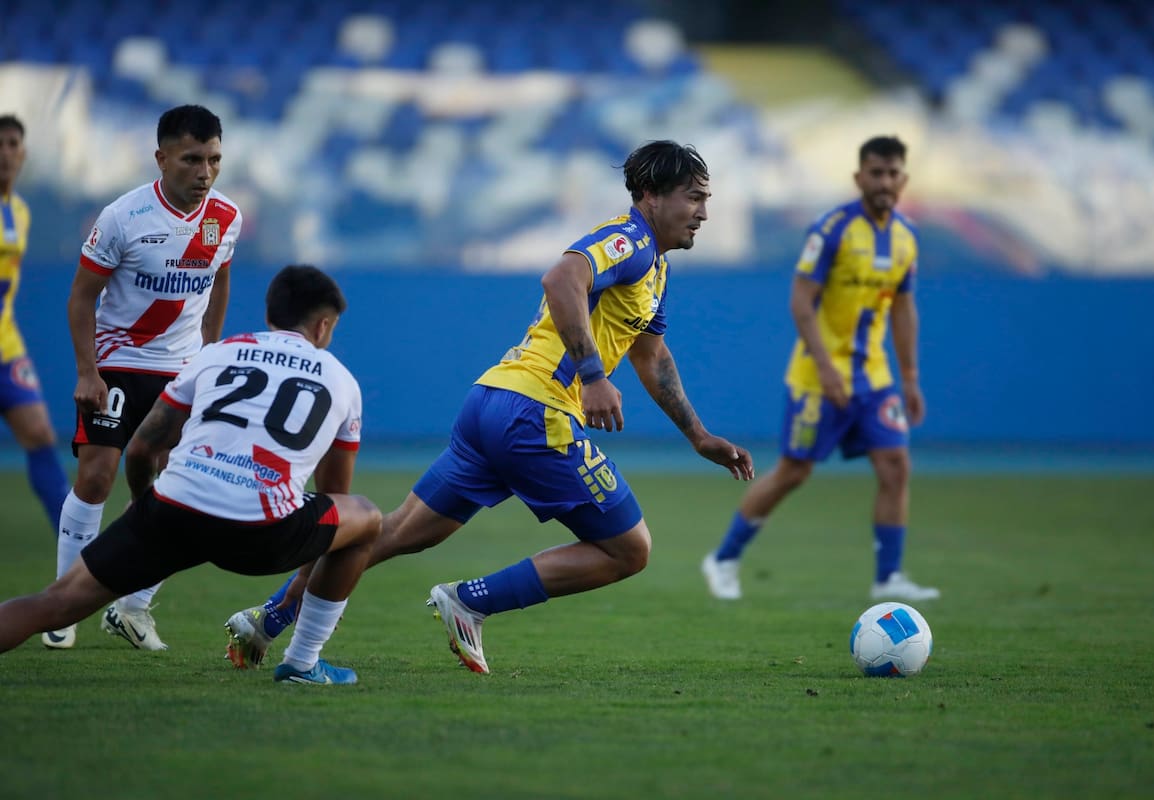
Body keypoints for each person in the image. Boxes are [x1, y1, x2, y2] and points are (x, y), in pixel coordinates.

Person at [223, 140, 755, 675]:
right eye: (693, 198)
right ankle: (471, 600)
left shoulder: (655, 270)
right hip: (534, 412)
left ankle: (270, 617)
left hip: (493, 402)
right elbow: (561, 278)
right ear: (650, 197)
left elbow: (651, 355)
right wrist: (592, 375)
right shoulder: (629, 239)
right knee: (628, 550)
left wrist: (698, 435)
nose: (704, 213)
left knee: (388, 533)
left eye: (707, 200)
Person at [0, 264, 380, 685]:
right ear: (324, 326)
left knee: (56, 602)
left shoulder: (216, 354)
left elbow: (145, 446)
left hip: (175, 513)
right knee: (365, 517)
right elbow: (333, 497)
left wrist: (143, 506)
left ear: (270, 313)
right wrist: (305, 579)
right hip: (263, 533)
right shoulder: (342, 381)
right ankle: (303, 662)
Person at [701, 135, 939, 602]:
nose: (884, 182)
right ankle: (724, 558)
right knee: (793, 472)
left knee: (896, 466)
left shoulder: (906, 238)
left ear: (904, 179)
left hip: (875, 377)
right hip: (817, 377)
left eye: (893, 173)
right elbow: (801, 300)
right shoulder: (832, 229)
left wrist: (910, 377)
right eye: (876, 172)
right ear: (859, 177)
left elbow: (903, 309)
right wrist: (827, 368)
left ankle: (888, 576)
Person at [44, 104, 243, 650]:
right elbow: (81, 297)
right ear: (161, 158)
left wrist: (210, 351)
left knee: (173, 491)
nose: (204, 173)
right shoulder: (122, 218)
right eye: (191, 159)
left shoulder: (225, 217)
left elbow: (220, 279)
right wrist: (87, 371)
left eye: (214, 160)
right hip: (117, 363)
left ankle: (132, 609)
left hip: (179, 373)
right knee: (96, 479)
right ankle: (63, 607)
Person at [0, 114, 71, 543]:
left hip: (6, 347)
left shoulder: (20, 211)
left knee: (42, 434)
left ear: (23, 154)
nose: (5, 153)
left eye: (12, 144)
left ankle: (74, 545)